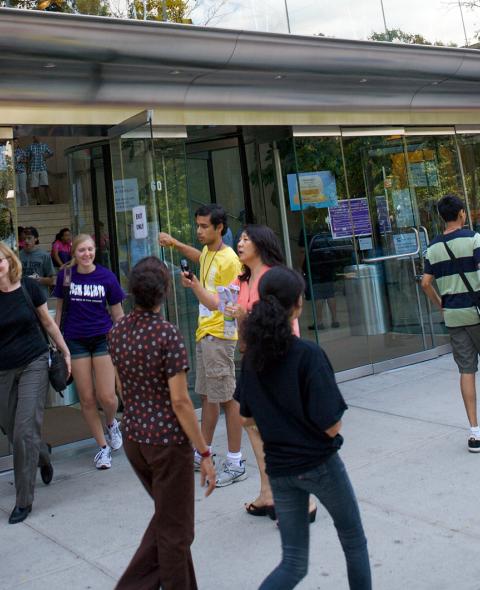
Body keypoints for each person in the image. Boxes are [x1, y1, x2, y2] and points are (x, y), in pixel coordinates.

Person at [236, 266, 371, 589]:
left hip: (279, 470)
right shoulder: (308, 354)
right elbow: (332, 424)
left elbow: (247, 417)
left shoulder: (252, 358)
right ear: (297, 305)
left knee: (293, 563)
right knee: (354, 541)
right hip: (320, 464)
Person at [108, 256, 216, 590]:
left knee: (171, 523)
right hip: (167, 444)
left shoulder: (118, 332)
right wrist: (204, 452)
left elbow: (122, 387)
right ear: (164, 293)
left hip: (134, 439)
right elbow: (181, 402)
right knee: (175, 532)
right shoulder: (167, 335)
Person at [225, 224, 317, 521]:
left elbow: (281, 322)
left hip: (278, 357)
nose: (240, 243)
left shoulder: (274, 277)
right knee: (252, 425)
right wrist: (239, 321)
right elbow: (244, 329)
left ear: (261, 244)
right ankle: (268, 493)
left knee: (284, 430)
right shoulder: (244, 279)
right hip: (253, 358)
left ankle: (304, 501)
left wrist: (245, 316)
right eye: (239, 238)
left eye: (246, 239)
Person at [158, 204, 246, 487]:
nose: (199, 231)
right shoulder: (210, 252)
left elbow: (224, 304)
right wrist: (175, 243)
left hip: (220, 336)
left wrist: (193, 285)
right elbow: (199, 257)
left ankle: (235, 461)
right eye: (197, 225)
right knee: (209, 397)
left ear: (219, 228)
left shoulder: (230, 260)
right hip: (206, 335)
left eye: (204, 226)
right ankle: (202, 452)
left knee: (228, 399)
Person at [0, 243, 71, 524]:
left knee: (23, 431)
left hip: (34, 362)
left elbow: (49, 323)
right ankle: (42, 452)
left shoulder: (29, 288)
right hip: (3, 370)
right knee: (11, 427)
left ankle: (24, 500)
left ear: (9, 260)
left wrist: (64, 351)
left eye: (0, 260)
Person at [53, 234, 125, 469]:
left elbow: (117, 313)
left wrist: (125, 341)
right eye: (82, 250)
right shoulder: (65, 276)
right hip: (75, 341)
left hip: (103, 338)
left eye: (90, 250)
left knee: (107, 396)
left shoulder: (106, 277)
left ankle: (112, 422)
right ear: (74, 252)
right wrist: (57, 341)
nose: (86, 254)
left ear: (95, 251)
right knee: (86, 398)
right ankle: (102, 448)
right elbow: (60, 311)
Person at [422, 194, 480, 453]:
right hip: (477, 312)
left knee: (466, 370)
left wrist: (440, 305)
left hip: (455, 316)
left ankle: (475, 433)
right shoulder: (474, 239)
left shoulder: (433, 248)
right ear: (461, 214)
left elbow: (425, 282)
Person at [20, 227, 56, 299]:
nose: (26, 241)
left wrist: (38, 279)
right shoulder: (18, 255)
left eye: (29, 238)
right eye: (24, 239)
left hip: (40, 297)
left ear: (36, 239)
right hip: (23, 297)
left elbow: (52, 280)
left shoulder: (44, 255)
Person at [27, 136, 53, 205]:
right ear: (33, 138)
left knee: (46, 185)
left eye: (38, 137)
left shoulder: (44, 145)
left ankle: (50, 199)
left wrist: (46, 156)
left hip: (42, 168)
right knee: (35, 186)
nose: (38, 138)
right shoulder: (30, 147)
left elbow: (51, 153)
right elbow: (28, 157)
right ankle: (38, 201)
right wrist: (28, 169)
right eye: (36, 137)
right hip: (34, 168)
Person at [14, 138, 28, 207]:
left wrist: (21, 160)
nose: (15, 144)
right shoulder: (9, 151)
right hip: (14, 173)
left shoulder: (22, 151)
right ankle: (18, 205)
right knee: (16, 190)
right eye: (14, 142)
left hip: (22, 172)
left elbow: (26, 160)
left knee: (23, 189)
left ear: (18, 143)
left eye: (17, 142)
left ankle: (25, 204)